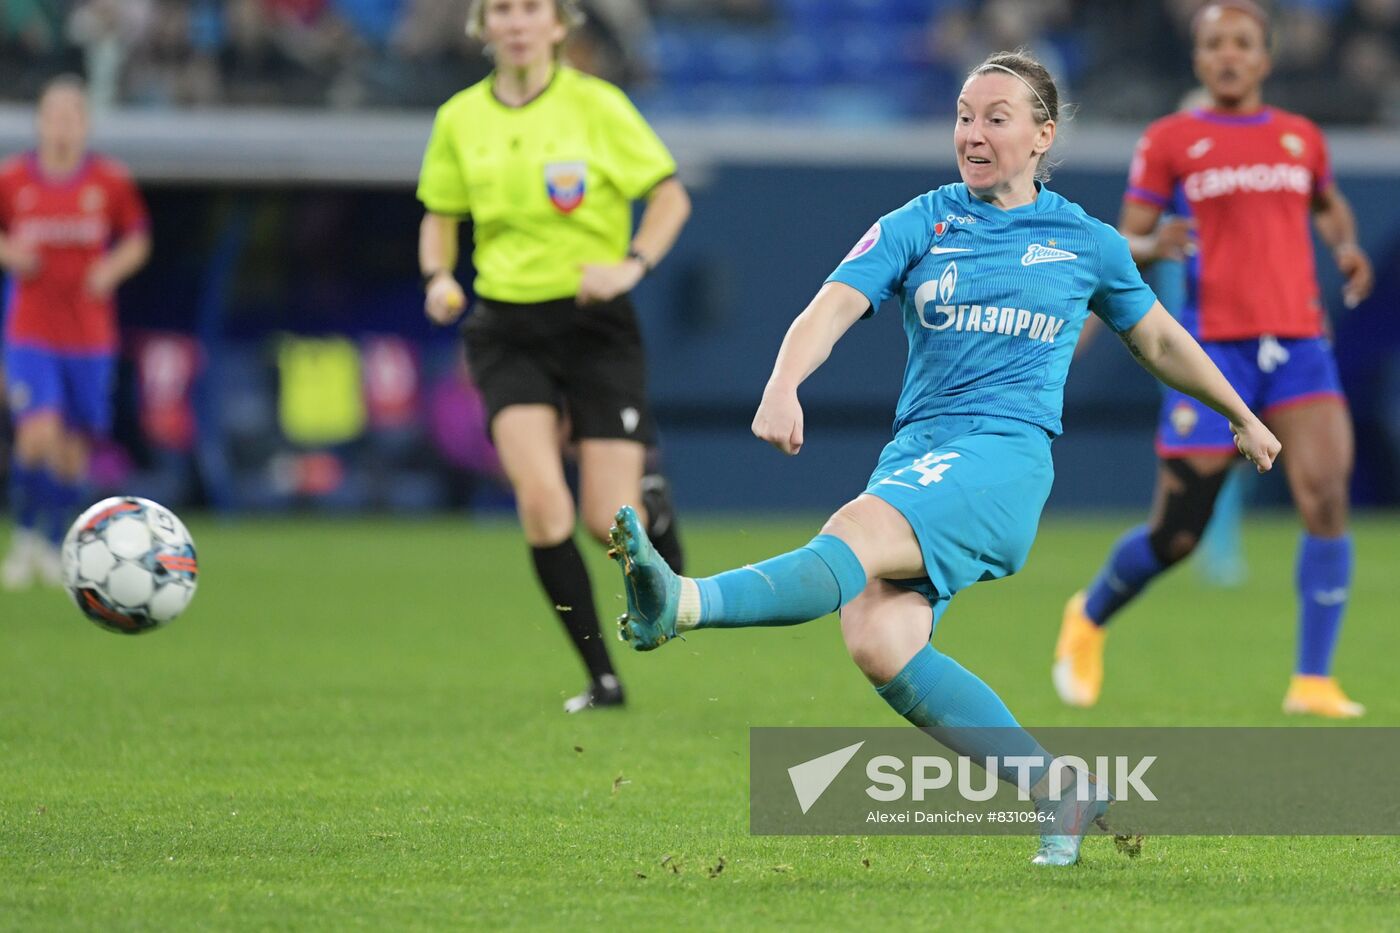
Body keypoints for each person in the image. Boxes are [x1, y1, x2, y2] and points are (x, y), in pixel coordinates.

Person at [608, 50, 1280, 866]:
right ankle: (1055, 788)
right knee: (879, 639)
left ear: (1042, 134)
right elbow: (832, 305)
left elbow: (1161, 340)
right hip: (919, 453)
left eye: (996, 117)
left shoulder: (1086, 241)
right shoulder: (920, 221)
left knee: (854, 530)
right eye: (965, 115)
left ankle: (679, 602)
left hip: (1003, 457)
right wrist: (783, 382)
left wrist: (1240, 414)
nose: (973, 132)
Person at [1052, 1, 1374, 718]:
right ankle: (1091, 612)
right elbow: (1119, 244)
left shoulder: (1299, 138)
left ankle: (1312, 679)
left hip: (1298, 344)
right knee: (1180, 533)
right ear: (1198, 60)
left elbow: (1328, 205)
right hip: (1213, 351)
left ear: (1266, 57)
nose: (1229, 55)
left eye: (1243, 43)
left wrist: (1346, 246)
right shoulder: (1172, 140)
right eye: (1215, 44)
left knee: (1325, 492)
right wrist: (1150, 246)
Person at [416, 0, 691, 714]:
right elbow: (439, 216)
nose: (515, 22)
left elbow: (669, 197)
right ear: (483, 26)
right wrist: (440, 277)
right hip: (506, 328)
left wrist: (631, 264)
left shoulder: (597, 106)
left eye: (530, 8)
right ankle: (602, 677)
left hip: (596, 324)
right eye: (501, 9)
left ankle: (651, 510)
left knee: (607, 518)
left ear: (558, 24)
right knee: (543, 506)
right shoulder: (459, 119)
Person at [1, 75, 151, 589]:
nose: (62, 127)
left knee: (71, 448)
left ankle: (53, 540)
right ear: (40, 122)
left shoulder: (108, 182)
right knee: (36, 434)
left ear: (85, 124)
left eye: (72, 117)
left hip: (88, 333)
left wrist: (110, 270)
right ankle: (23, 539)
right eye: (53, 116)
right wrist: (10, 253)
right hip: (31, 329)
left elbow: (137, 239)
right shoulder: (14, 180)